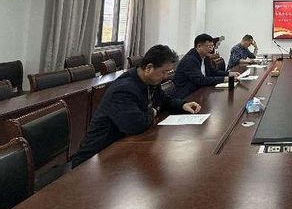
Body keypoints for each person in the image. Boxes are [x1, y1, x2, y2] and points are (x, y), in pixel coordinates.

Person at [71, 45, 201, 167]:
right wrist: (153, 111)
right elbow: (136, 125)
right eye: (164, 72)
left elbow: (163, 100)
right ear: (149, 67)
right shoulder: (123, 89)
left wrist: (183, 105)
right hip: (96, 159)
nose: (166, 76)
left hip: (122, 150)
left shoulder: (149, 81)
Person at [173, 34, 239, 99]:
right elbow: (200, 80)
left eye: (212, 46)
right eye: (209, 46)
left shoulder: (205, 57)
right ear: (199, 46)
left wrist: (229, 74)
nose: (211, 49)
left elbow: (213, 72)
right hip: (187, 95)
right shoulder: (190, 60)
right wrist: (225, 79)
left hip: (200, 90)